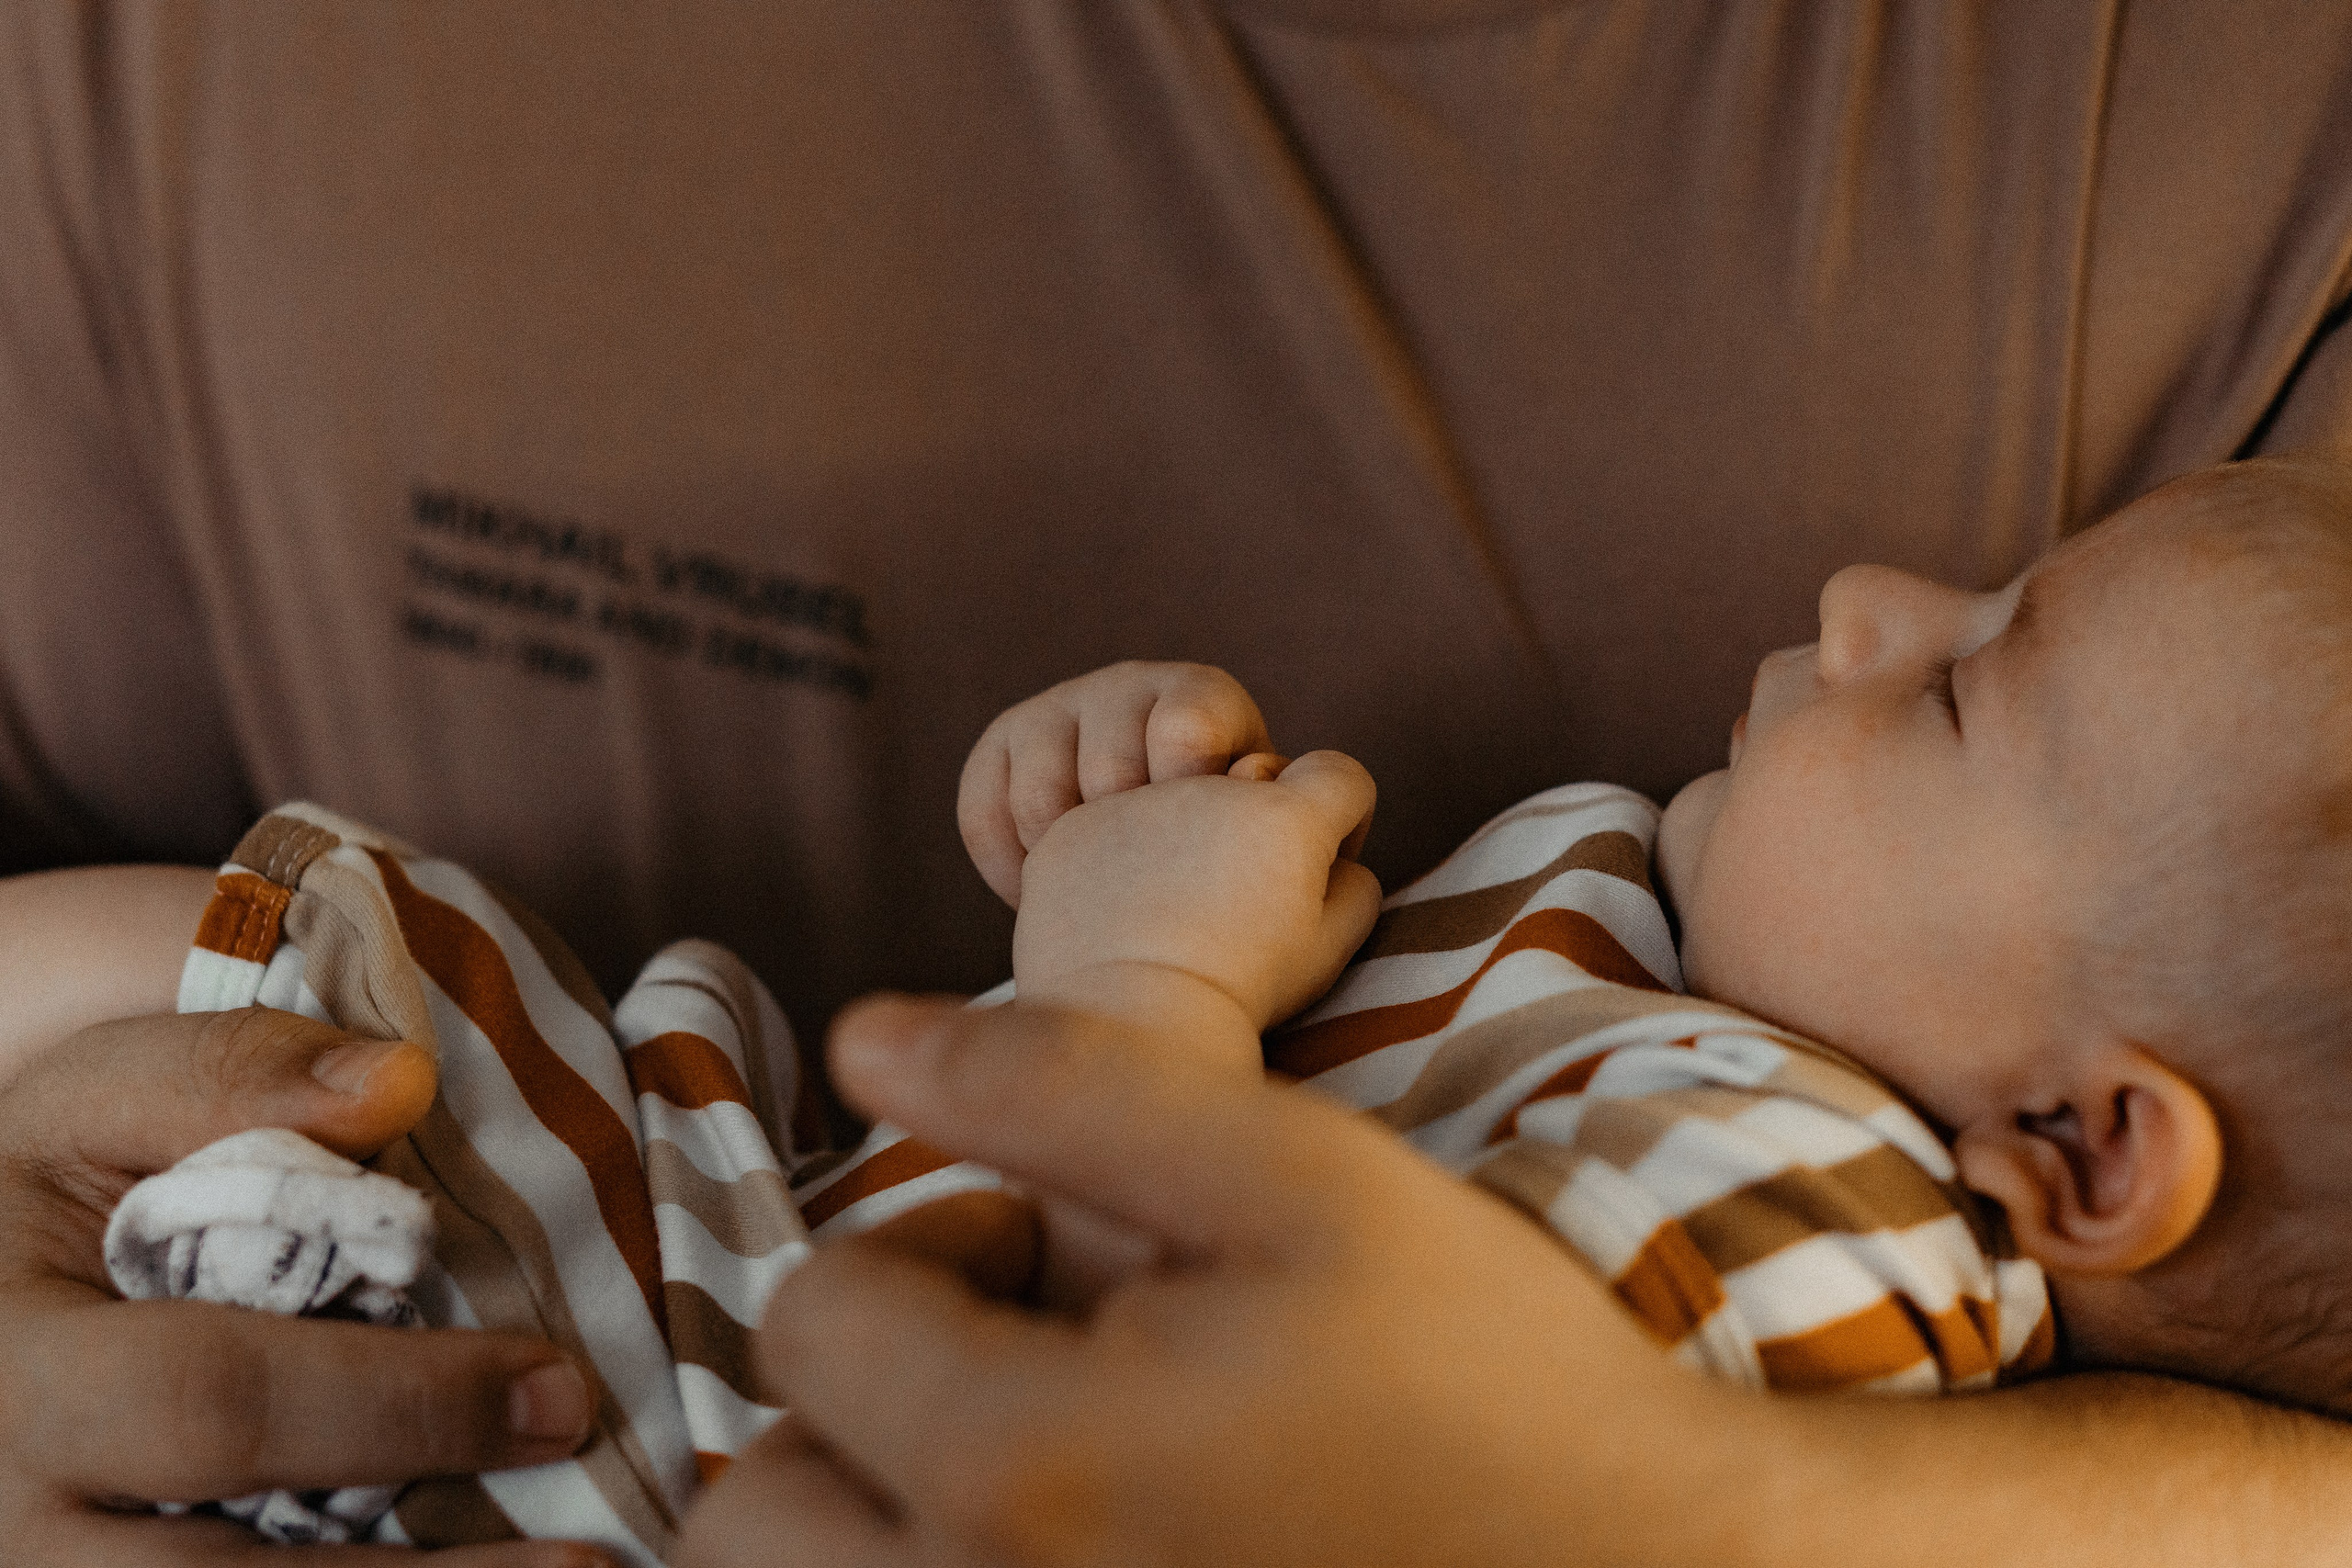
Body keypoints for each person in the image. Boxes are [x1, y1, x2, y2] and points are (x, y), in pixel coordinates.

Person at [9, 2, 2352, 1562]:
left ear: (2081, 1144)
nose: (1862, 603)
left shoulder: (1807, 1205)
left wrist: (1137, 976)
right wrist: (1129, 824)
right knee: (175, 959)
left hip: (730, 1389)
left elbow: (1196, 1430)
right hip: (732, 1230)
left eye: (1957, 690)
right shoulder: (1678, 946)